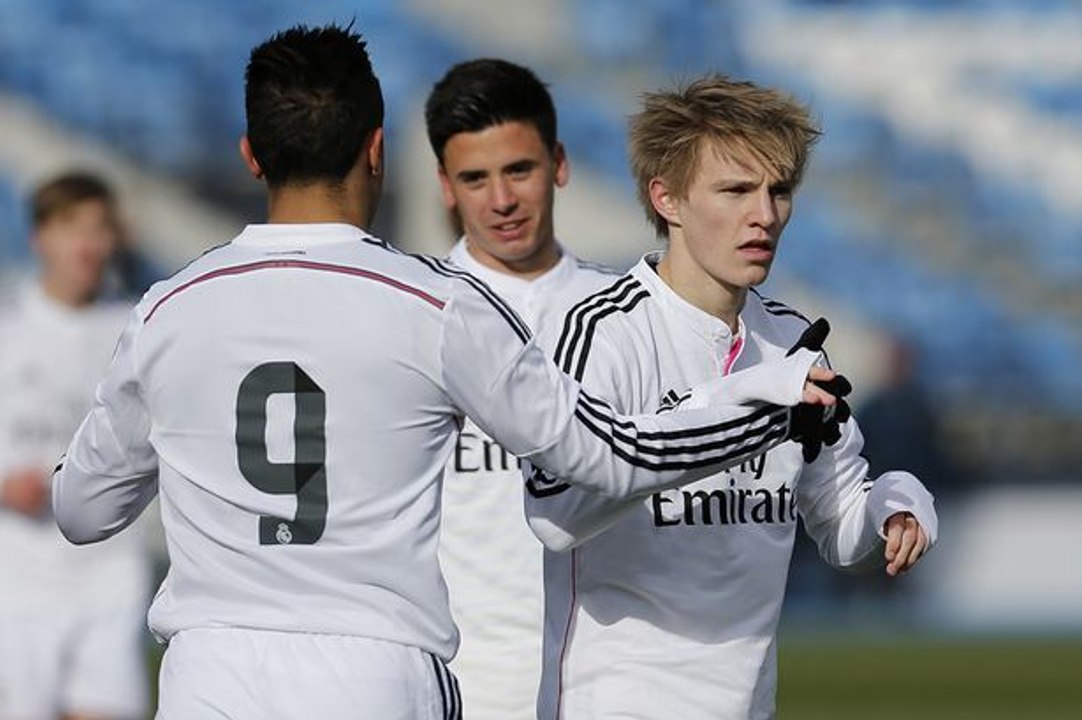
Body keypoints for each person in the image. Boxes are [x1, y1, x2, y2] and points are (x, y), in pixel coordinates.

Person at [51, 26, 843, 720]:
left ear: (252, 155)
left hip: (210, 674)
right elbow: (605, 459)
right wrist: (762, 399)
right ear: (377, 150)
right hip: (377, 671)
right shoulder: (433, 304)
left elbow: (82, 509)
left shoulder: (166, 309)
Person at [524, 74, 939, 720]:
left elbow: (837, 518)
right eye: (737, 190)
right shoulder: (603, 331)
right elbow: (554, 513)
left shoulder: (793, 342)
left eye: (779, 191)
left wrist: (897, 502)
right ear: (668, 199)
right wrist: (740, 403)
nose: (765, 214)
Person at [423, 58, 620, 720]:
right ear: (445, 187)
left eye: (519, 170)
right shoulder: (410, 316)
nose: (501, 200)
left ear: (558, 163)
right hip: (452, 686)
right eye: (475, 178)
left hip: (604, 683)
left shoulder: (626, 314)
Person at [0, 172, 151, 720]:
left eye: (98, 228)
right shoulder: (9, 330)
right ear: (40, 237)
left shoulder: (137, 329)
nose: (86, 244)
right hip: (16, 586)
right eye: (71, 227)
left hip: (107, 580)